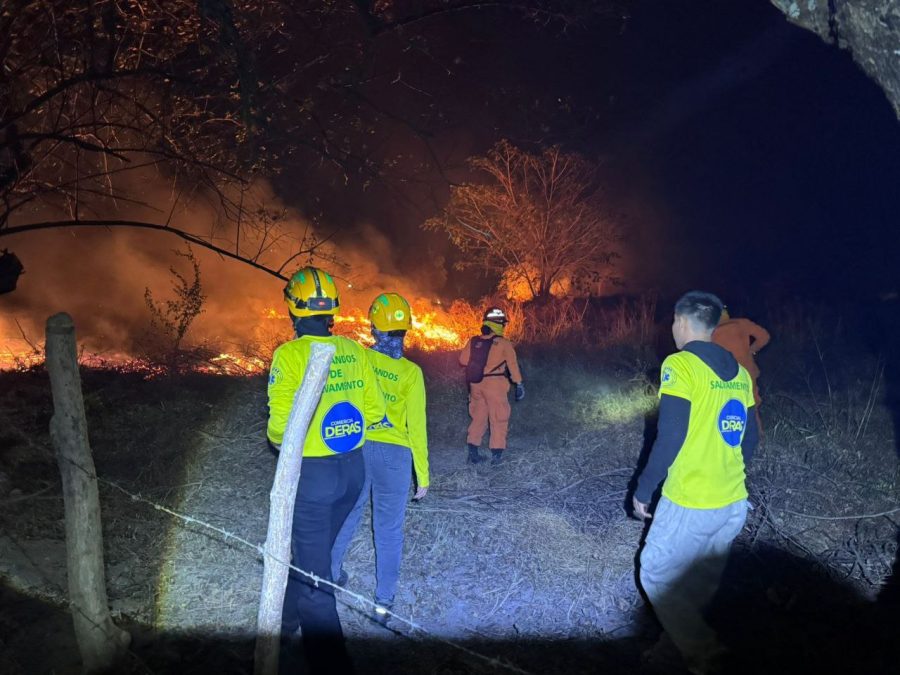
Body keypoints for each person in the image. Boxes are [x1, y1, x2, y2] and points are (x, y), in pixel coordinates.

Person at [632, 291, 759, 675]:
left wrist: (644, 489)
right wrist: (728, 473)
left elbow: (670, 434)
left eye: (673, 321)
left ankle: (704, 652)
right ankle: (674, 651)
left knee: (654, 570)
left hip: (692, 499)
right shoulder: (737, 371)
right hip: (733, 501)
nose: (672, 328)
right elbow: (750, 437)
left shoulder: (680, 365)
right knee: (696, 585)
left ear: (682, 322)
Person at [267, 266, 385, 674]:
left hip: (313, 478)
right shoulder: (354, 351)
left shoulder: (288, 355)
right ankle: (282, 627)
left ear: (292, 310)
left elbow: (279, 431)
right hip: (352, 473)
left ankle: (333, 664)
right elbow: (375, 411)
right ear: (333, 309)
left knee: (314, 575)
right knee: (309, 558)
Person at [330, 292, 430, 624]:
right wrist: (423, 475)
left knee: (347, 515)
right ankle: (383, 603)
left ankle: (330, 576)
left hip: (357, 448)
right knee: (388, 531)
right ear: (406, 330)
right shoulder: (412, 373)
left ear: (374, 328)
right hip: (396, 456)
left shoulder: (358, 357)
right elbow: (416, 427)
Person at [458, 307, 524, 465]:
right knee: (499, 418)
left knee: (478, 418)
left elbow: (462, 361)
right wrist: (519, 383)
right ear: (500, 324)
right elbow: (513, 365)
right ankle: (496, 457)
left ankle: (473, 454)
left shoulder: (474, 341)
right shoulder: (504, 343)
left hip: (476, 384)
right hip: (495, 385)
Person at [712, 307, 770, 408]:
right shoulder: (742, 323)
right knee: (751, 407)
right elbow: (764, 336)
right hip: (747, 373)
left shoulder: (710, 333)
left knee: (725, 408)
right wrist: (752, 350)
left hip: (723, 378)